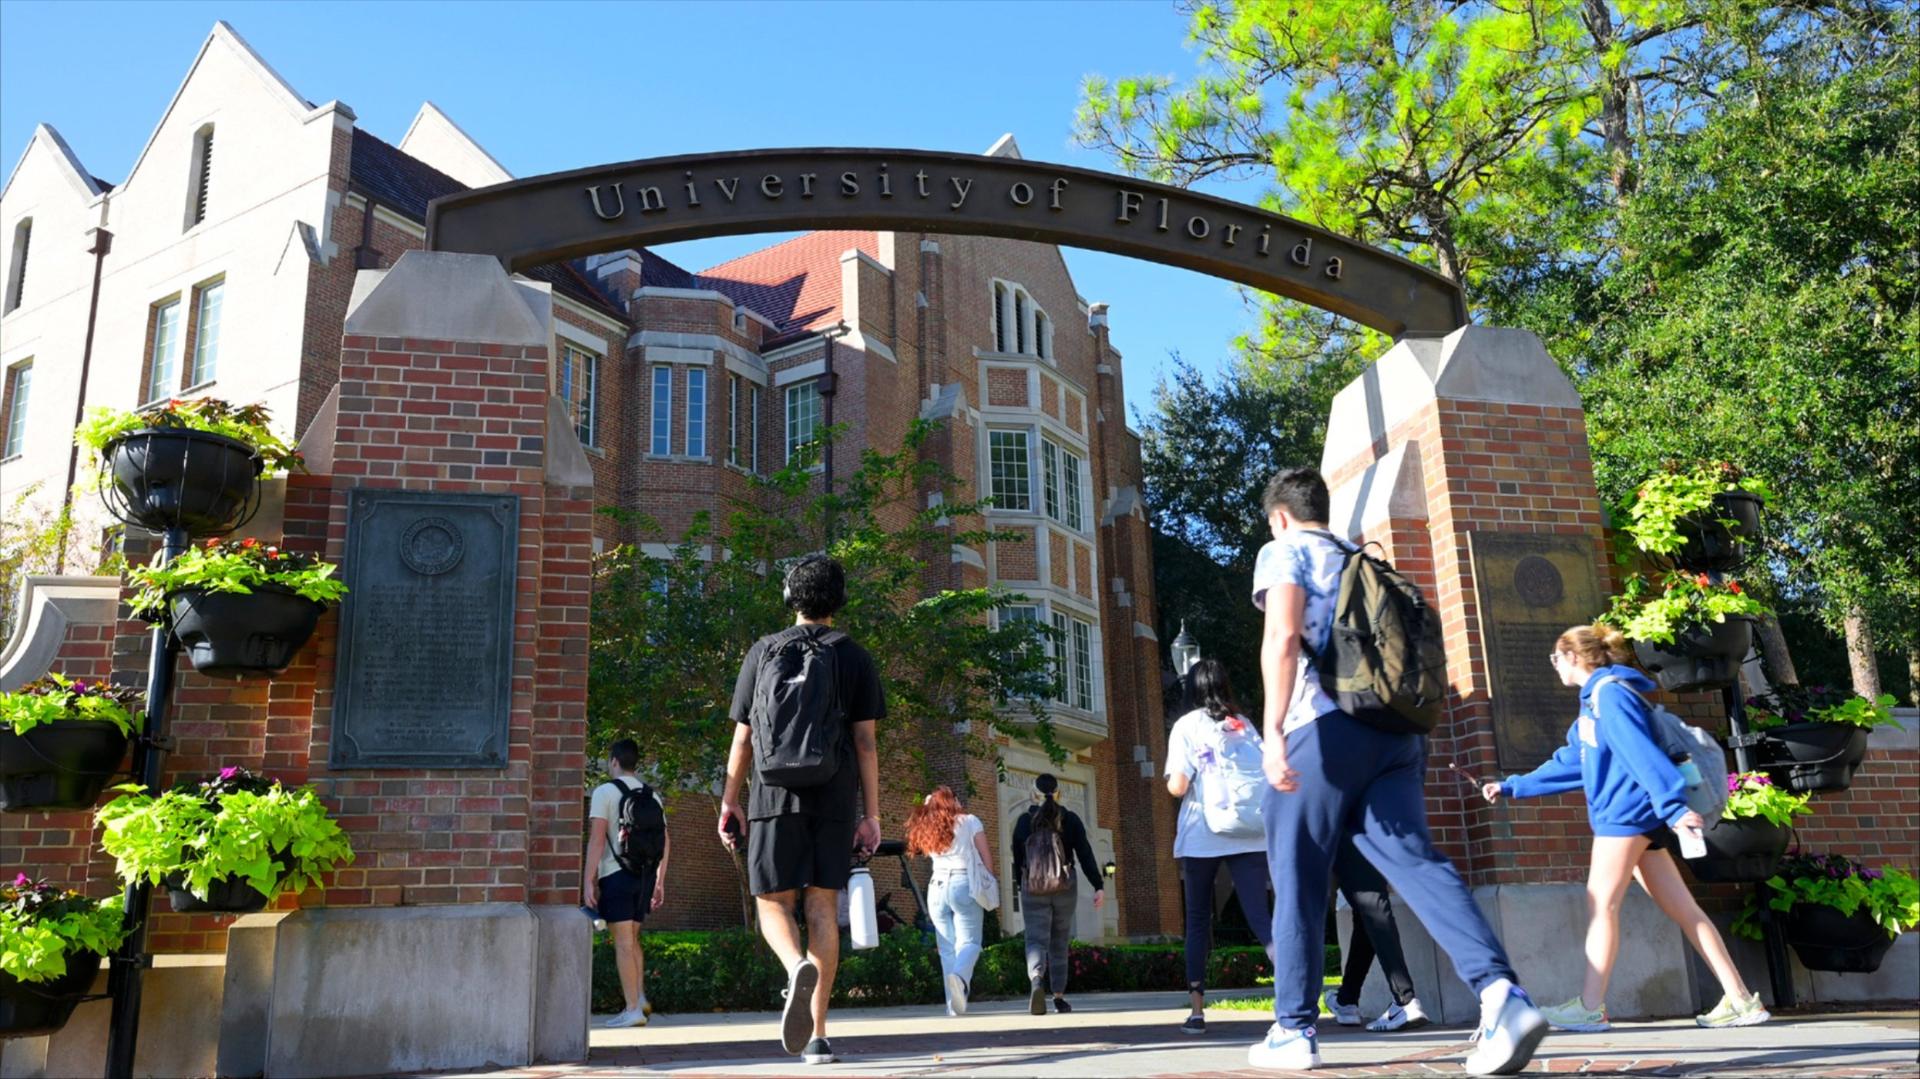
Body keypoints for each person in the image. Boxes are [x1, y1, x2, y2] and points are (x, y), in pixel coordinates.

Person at [1248, 467, 1545, 1075]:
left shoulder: (1284, 550)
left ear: (1280, 515)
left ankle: (1293, 1029)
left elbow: (1281, 637)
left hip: (1323, 731)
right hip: (1398, 734)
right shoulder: (1365, 560)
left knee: (1298, 874)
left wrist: (1272, 732)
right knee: (1417, 863)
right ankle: (1502, 995)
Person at [1484, 625, 1770, 1032]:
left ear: (1575, 657)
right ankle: (1741, 1000)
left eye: (1556, 657)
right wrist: (1513, 786)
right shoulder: (1595, 702)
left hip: (1625, 816)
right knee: (1684, 910)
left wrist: (1672, 807)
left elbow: (1641, 753)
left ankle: (1590, 1006)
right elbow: (1573, 762)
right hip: (1637, 817)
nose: (1554, 666)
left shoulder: (1610, 696)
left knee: (1601, 905)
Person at [718, 556, 885, 1066]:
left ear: (790, 596)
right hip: (833, 795)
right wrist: (871, 813)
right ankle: (817, 1036)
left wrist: (729, 800)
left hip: (773, 794)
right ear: (839, 600)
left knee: (772, 901)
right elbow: (865, 742)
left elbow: (743, 737)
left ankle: (793, 967)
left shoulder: (763, 651)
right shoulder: (855, 656)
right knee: (820, 909)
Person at [1164, 658, 1275, 1036]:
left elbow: (1178, 786)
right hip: (1251, 832)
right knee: (1262, 919)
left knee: (1197, 920)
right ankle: (1295, 1003)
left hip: (1202, 834)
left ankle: (1197, 1011)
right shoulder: (1244, 725)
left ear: (1191, 688)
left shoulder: (1187, 726)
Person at [582, 738, 668, 1028]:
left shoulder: (604, 792)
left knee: (622, 943)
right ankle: (640, 998)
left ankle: (632, 1009)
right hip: (643, 876)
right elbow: (666, 842)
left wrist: (587, 880)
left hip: (615, 874)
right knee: (633, 939)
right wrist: (660, 880)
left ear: (614, 761)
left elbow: (596, 839)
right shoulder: (652, 796)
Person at [1010, 773, 1104, 1016]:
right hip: (1064, 886)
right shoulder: (1070, 819)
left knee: (1035, 940)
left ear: (1034, 794)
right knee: (1059, 941)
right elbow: (1085, 854)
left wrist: (1021, 885)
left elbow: (1018, 858)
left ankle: (1037, 980)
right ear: (1058, 793)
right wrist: (1098, 885)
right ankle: (1059, 998)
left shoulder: (1023, 822)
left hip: (1033, 887)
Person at [905, 786, 997, 1016]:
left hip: (936, 887)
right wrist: (989, 882)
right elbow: (986, 857)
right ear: (953, 800)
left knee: (947, 947)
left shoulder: (929, 826)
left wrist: (929, 804)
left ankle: (953, 1006)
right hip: (964, 883)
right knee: (970, 943)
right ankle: (960, 977)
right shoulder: (970, 821)